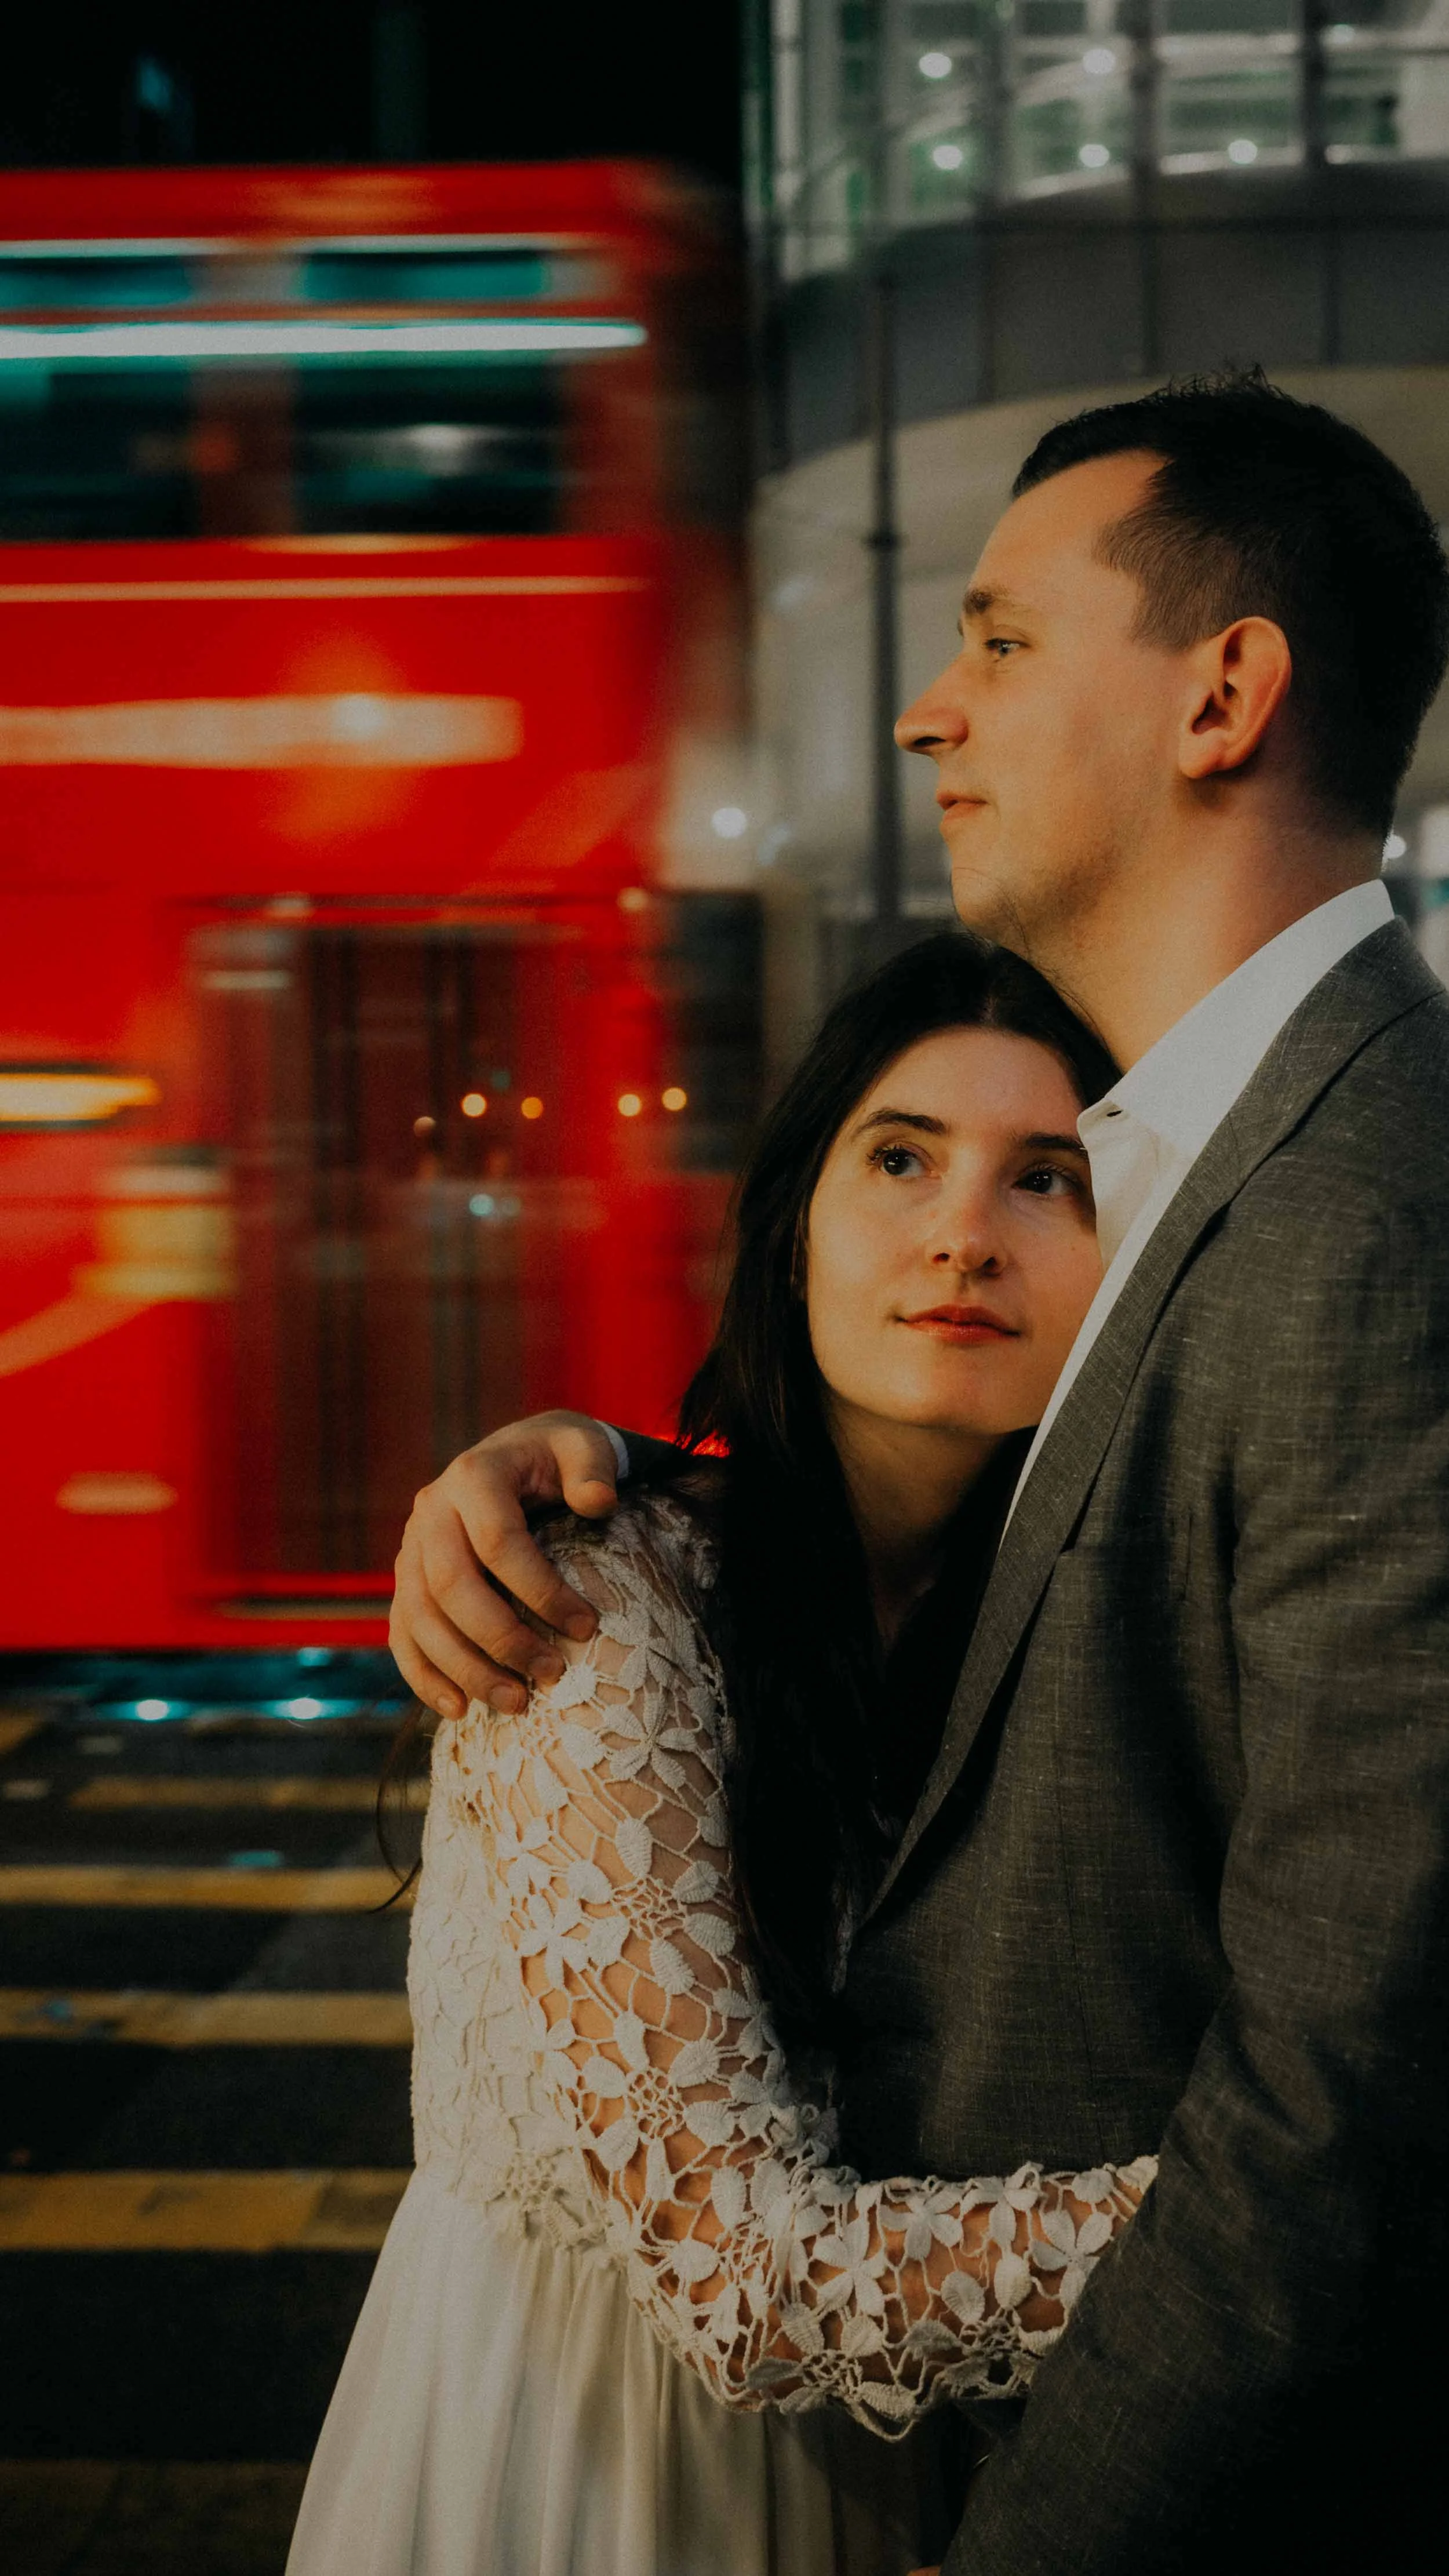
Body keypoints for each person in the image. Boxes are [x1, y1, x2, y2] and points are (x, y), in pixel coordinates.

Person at [392, 369, 1449, 2574]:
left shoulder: (1365, 1211)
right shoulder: (1224, 1170)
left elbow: (1345, 2092)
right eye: (892, 1160)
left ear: (1220, 693)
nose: (924, 711)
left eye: (996, 636)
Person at [287, 935, 1154, 2576]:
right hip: (580, 2466)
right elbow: (745, 2286)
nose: (962, 1230)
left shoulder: (1058, 1621)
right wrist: (1275, 2214)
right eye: (898, 1156)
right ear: (791, 1227)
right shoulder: (601, 1603)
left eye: (1052, 1177)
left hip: (894, 2467)